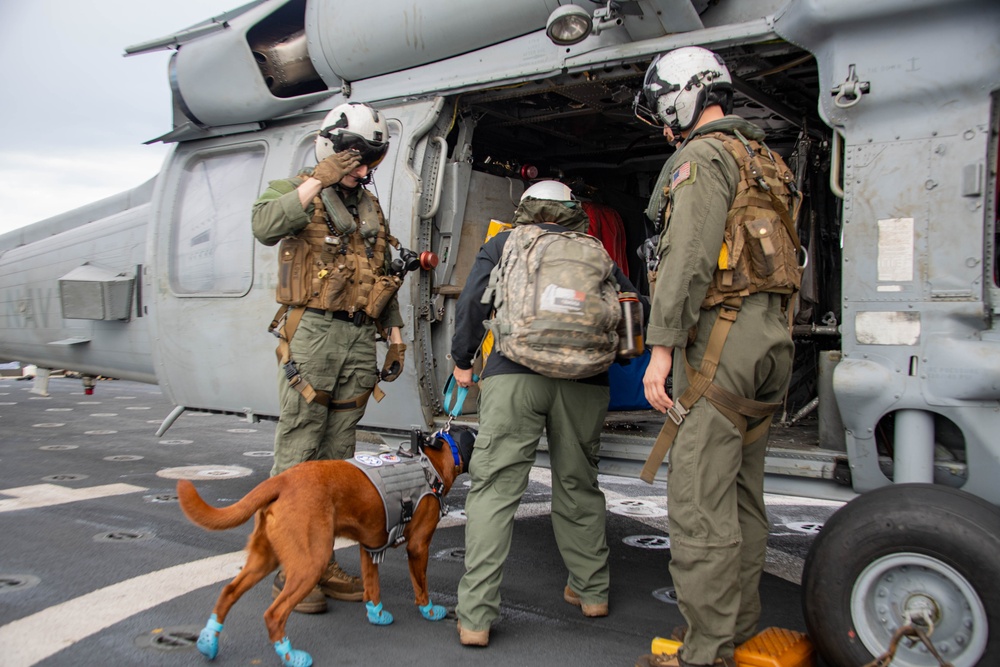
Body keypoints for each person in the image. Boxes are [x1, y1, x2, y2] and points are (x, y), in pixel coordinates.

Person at [632, 47, 801, 667]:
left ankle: (705, 651)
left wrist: (660, 348)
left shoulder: (700, 158)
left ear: (684, 96)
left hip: (719, 344)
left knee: (700, 504)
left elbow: (688, 261)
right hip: (769, 341)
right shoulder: (766, 159)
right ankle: (737, 628)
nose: (664, 121)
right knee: (743, 498)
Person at [450, 180, 639, 647]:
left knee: (496, 489)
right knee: (578, 485)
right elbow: (633, 308)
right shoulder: (595, 249)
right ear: (574, 211)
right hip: (585, 384)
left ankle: (475, 616)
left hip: (514, 376)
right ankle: (592, 591)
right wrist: (619, 358)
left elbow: (474, 302)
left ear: (527, 209)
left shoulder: (504, 242)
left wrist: (462, 358)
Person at [251, 101, 407, 614]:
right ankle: (291, 568)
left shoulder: (368, 206)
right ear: (332, 150)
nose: (365, 171)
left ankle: (321, 559)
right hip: (313, 333)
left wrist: (396, 330)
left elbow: (381, 269)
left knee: (337, 457)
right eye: (358, 161)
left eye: (370, 163)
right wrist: (319, 179)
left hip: (359, 336)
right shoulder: (297, 190)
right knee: (300, 448)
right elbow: (265, 225)